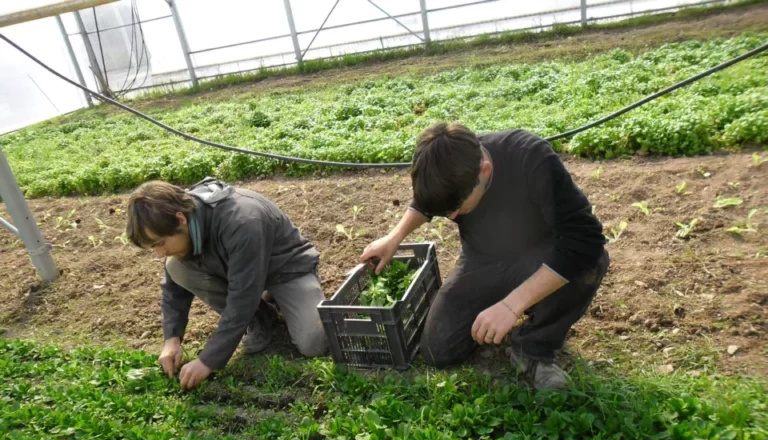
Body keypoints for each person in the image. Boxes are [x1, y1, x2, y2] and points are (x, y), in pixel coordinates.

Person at [361, 123, 608, 389]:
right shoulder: (446, 162)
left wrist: (512, 305)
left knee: (590, 264)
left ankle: (533, 348)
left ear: (484, 172)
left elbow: (586, 239)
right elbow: (430, 201)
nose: (453, 217)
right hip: (483, 259)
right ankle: (519, 302)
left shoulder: (530, 157)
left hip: (541, 257)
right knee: (438, 351)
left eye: (456, 209)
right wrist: (394, 238)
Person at [127, 177, 327, 391]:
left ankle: (282, 299)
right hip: (237, 270)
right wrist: (172, 339)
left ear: (180, 219)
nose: (160, 253)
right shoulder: (188, 224)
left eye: (161, 243)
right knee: (175, 267)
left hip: (287, 269)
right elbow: (173, 288)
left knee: (313, 342)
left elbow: (242, 296)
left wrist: (208, 361)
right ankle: (262, 318)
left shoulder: (242, 220)